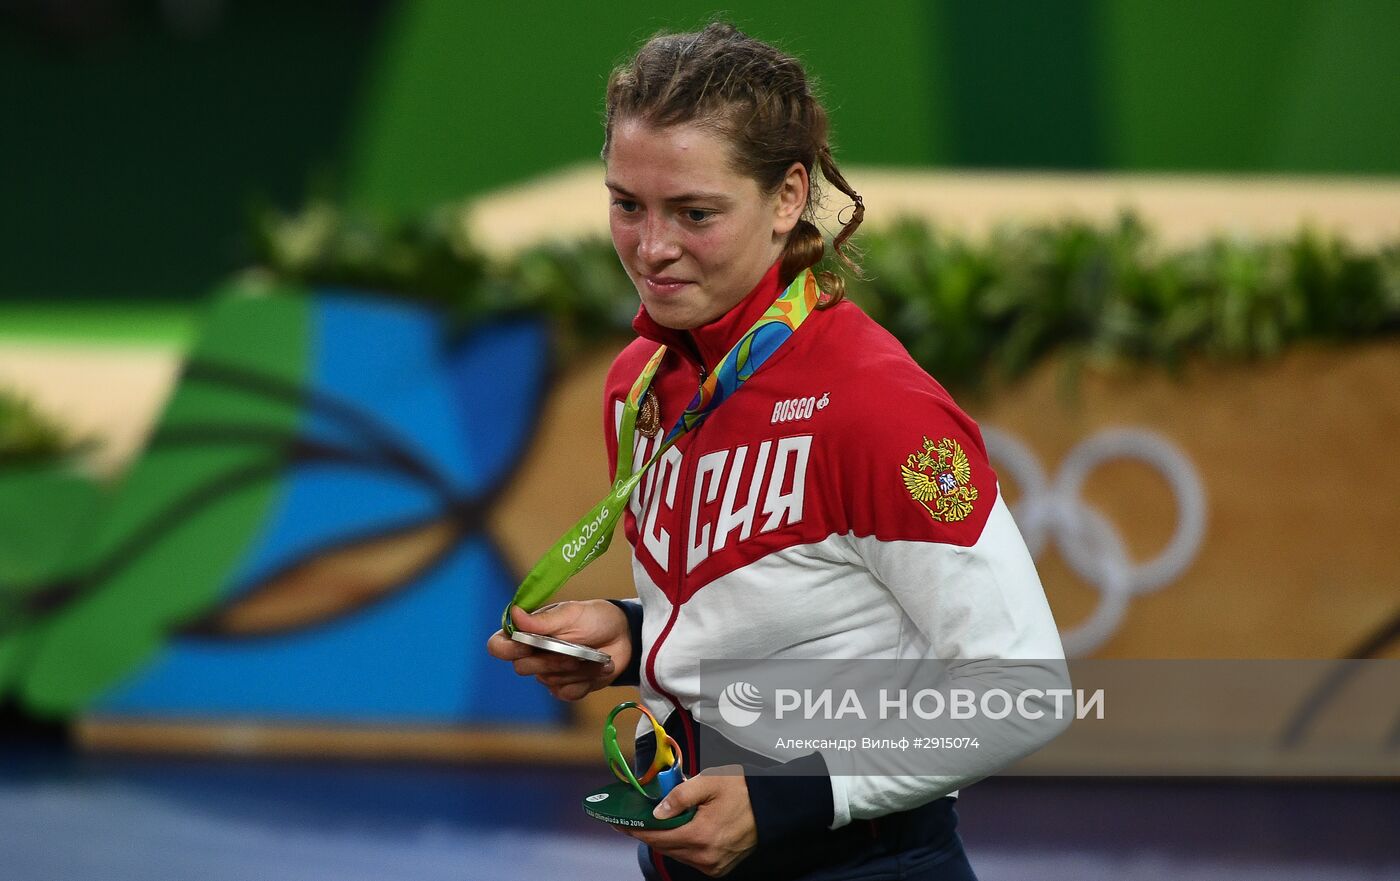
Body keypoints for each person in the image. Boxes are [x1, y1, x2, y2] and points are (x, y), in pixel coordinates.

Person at [487, 22, 1069, 881]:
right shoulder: (640, 382)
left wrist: (791, 796)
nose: (652, 248)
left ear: (789, 196)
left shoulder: (878, 406)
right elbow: (798, 610)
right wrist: (633, 634)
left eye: (695, 212)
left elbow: (1024, 692)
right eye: (627, 204)